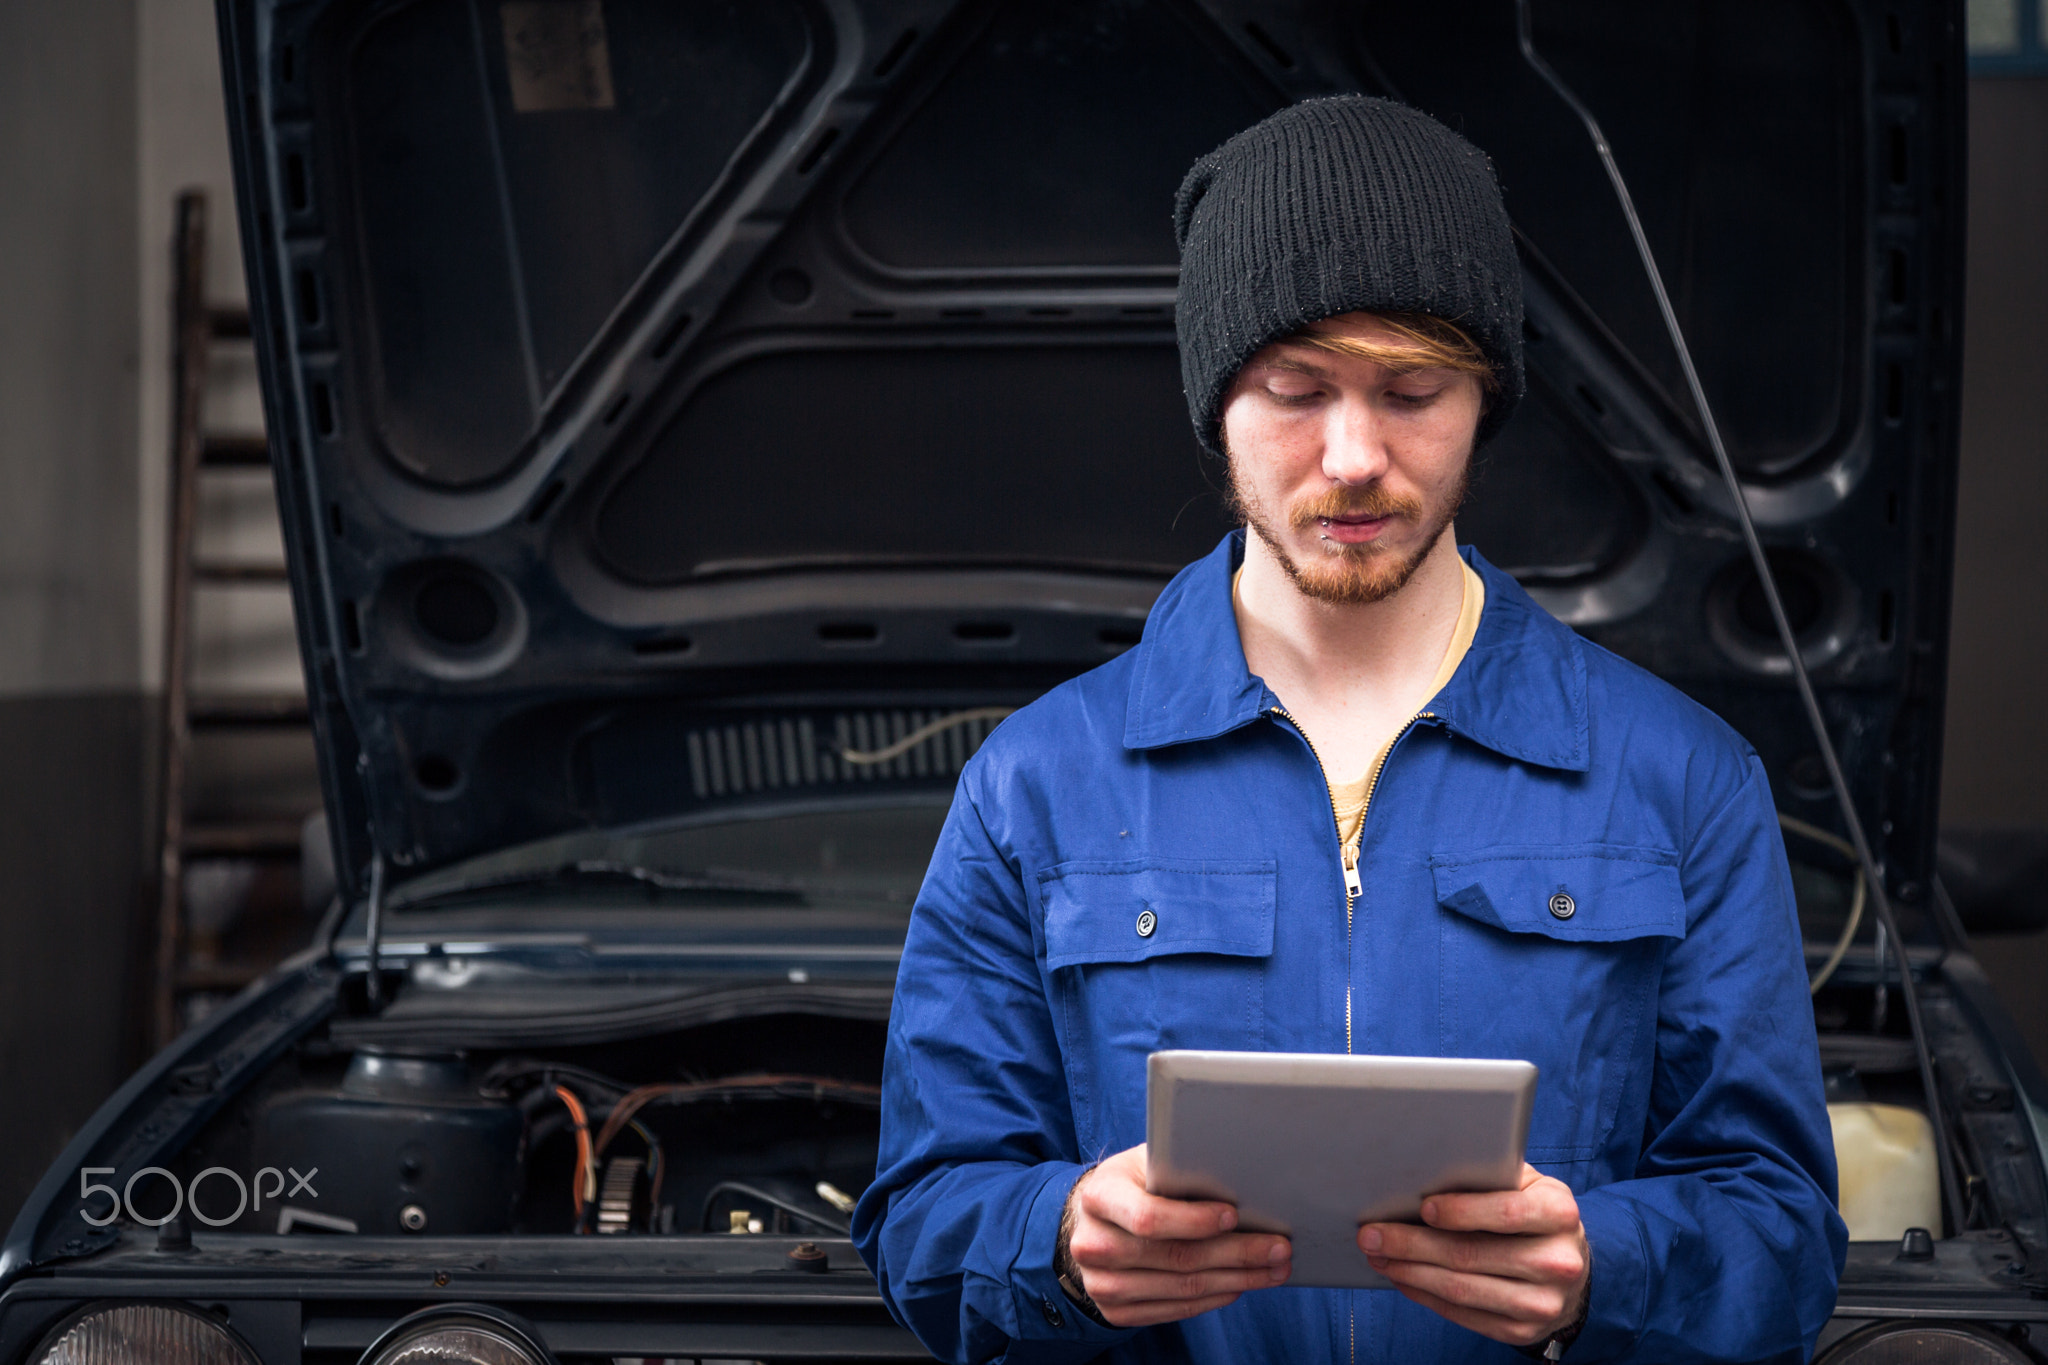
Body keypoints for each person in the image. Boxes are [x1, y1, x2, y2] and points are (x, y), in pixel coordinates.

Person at [851, 95, 1845, 1363]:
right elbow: (923, 1222)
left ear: (1485, 398)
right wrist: (1052, 1239)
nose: (1354, 453)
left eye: (1412, 388)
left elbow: (1783, 1238)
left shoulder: (1680, 781)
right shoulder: (1032, 788)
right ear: (1215, 399)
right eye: (1294, 388)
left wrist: (1609, 1268)